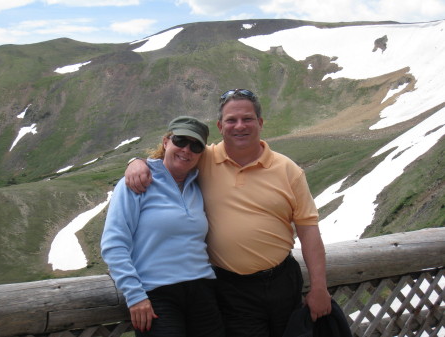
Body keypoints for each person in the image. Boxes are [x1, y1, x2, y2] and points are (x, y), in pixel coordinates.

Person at [125, 89, 331, 337]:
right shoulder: (204, 157)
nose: (239, 126)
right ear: (221, 126)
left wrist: (319, 286)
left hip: (283, 280)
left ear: (260, 123)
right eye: (232, 120)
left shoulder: (288, 170)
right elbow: (172, 157)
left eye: (247, 119)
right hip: (232, 288)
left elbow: (308, 229)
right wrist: (137, 162)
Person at [101, 116, 225, 337]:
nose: (186, 150)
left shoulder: (199, 185)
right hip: (157, 295)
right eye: (180, 141)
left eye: (195, 145)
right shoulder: (136, 183)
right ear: (166, 141)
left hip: (203, 291)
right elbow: (114, 244)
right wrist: (135, 295)